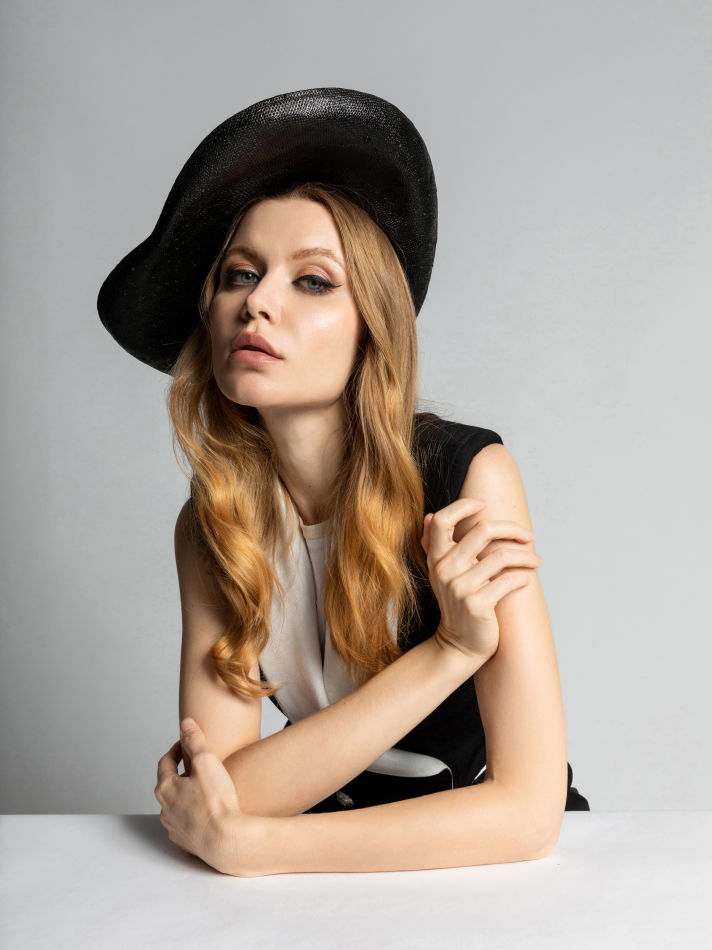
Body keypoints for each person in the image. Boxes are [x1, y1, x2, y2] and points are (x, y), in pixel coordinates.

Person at [97, 87, 589, 878]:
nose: (257, 303)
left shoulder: (467, 480)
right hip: (331, 880)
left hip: (485, 880)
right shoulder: (214, 521)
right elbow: (221, 791)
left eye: (313, 281)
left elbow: (529, 815)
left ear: (372, 328)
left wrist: (257, 847)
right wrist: (449, 652)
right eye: (239, 274)